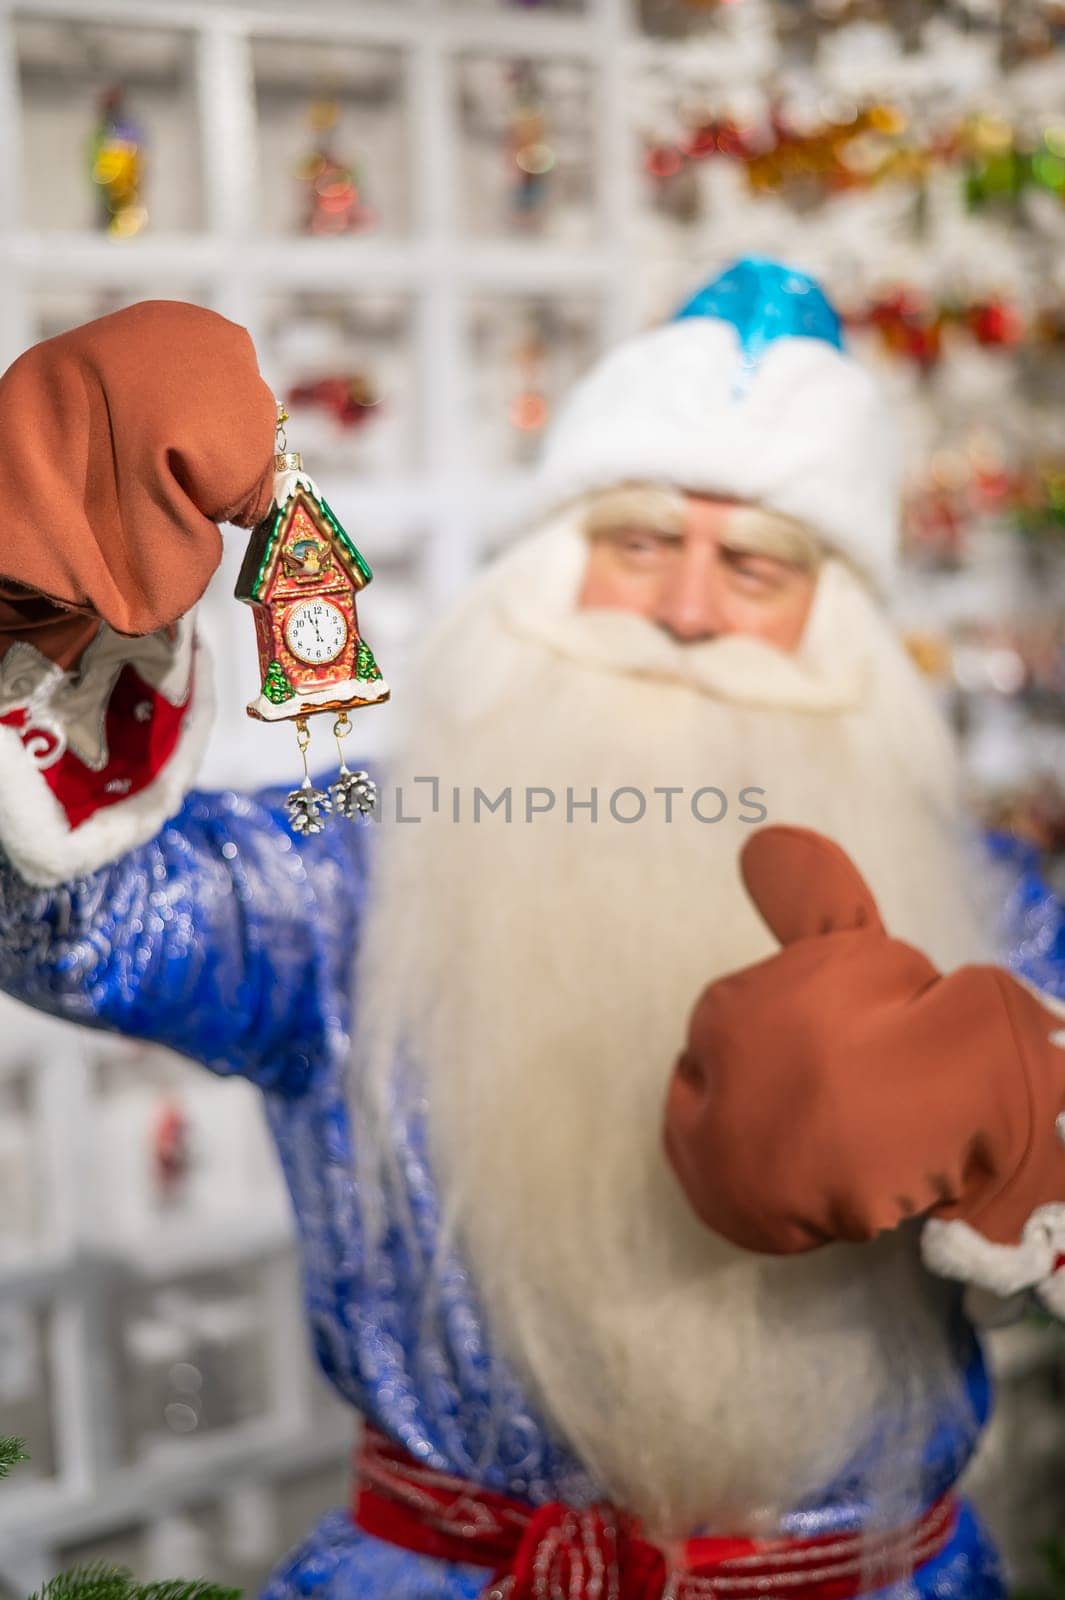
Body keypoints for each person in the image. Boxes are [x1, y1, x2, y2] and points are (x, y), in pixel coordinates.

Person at [0, 263, 1062, 1600]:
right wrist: (31, 620)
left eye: (751, 566)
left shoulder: (993, 905)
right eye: (633, 543)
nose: (683, 611)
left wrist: (1010, 1119)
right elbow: (73, 918)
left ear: (837, 627)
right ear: (539, 580)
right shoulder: (353, 869)